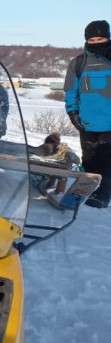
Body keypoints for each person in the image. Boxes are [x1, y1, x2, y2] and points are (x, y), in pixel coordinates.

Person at [64, 19, 111, 208]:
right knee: (89, 159)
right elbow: (70, 92)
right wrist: (72, 113)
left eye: (100, 38)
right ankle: (83, 192)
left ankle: (103, 196)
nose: (96, 42)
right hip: (88, 123)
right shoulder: (78, 63)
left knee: (107, 161)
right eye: (92, 39)